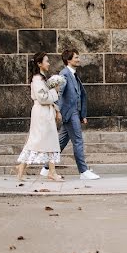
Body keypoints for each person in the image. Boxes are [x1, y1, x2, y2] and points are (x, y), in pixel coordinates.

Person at [42, 49, 100, 180]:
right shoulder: (65, 74)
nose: (78, 59)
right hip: (69, 113)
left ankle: (46, 168)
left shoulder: (73, 74)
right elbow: (59, 93)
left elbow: (78, 95)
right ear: (69, 60)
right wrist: (58, 111)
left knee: (60, 143)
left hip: (75, 112)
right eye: (76, 57)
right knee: (78, 141)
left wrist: (82, 114)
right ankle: (83, 171)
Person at [16, 52, 64, 182]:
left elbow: (46, 96)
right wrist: (55, 91)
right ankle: (21, 166)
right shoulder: (37, 79)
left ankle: (51, 172)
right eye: (46, 61)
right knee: (37, 140)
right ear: (39, 64)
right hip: (41, 114)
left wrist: (55, 107)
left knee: (50, 140)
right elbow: (42, 98)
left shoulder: (42, 78)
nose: (48, 63)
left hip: (45, 113)